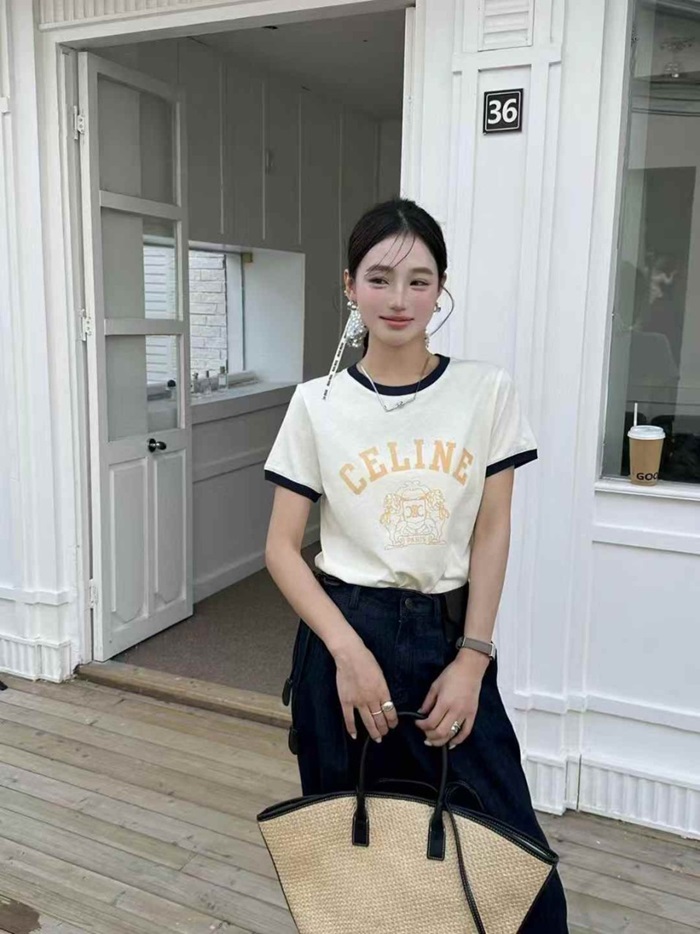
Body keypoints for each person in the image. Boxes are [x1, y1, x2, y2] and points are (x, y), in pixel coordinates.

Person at [263, 198, 568, 930]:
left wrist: (472, 659)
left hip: (448, 637)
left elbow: (492, 530)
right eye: (379, 278)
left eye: (419, 280)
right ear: (350, 286)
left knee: (511, 857)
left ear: (441, 289)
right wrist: (347, 654)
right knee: (354, 852)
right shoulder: (317, 404)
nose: (398, 298)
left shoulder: (485, 392)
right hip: (344, 633)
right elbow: (280, 548)